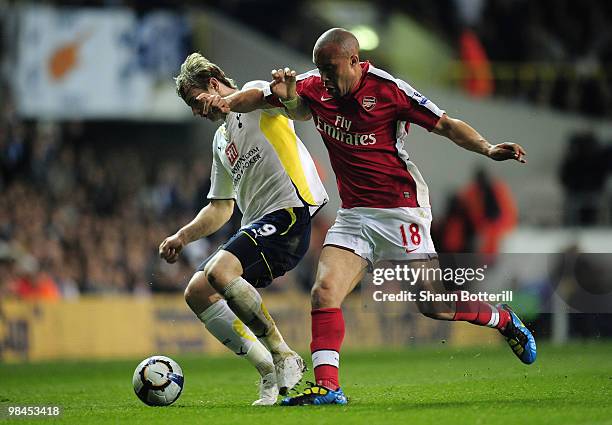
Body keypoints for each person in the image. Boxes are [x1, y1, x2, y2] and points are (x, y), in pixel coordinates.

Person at [199, 28, 536, 406]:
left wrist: (488, 148)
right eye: (319, 69)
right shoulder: (313, 87)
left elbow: (445, 124)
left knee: (434, 305)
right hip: (354, 215)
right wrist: (228, 103)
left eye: (331, 68)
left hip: (400, 210)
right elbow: (260, 97)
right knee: (324, 292)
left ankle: (502, 319)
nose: (324, 77)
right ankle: (328, 387)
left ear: (355, 62)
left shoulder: (389, 90)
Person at [159, 53, 328, 406]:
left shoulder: (254, 97)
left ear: (213, 83)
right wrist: (182, 236)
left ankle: (284, 356)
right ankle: (268, 368)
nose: (196, 112)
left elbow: (258, 98)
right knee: (198, 291)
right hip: (260, 226)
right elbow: (221, 207)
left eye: (195, 101)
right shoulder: (221, 141)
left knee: (220, 270)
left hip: (290, 213)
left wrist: (226, 100)